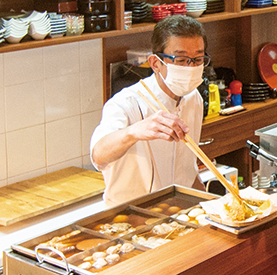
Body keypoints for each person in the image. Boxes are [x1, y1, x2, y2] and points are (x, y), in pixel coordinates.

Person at [89, 15, 208, 205]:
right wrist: (134, 132)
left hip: (176, 209)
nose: (191, 67)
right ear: (155, 63)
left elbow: (187, 167)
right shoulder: (126, 102)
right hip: (131, 212)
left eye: (198, 59)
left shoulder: (194, 98)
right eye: (181, 59)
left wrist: (209, 203)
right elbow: (98, 156)